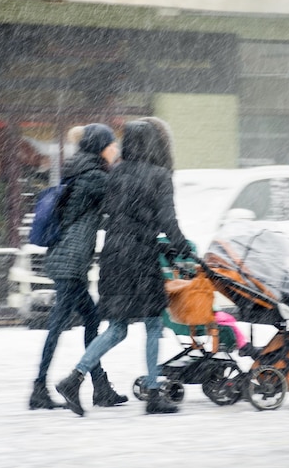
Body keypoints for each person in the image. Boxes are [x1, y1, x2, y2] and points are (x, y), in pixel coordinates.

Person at [56, 117, 194, 416]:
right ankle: (155, 393)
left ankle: (73, 378)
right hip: (140, 259)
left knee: (118, 328)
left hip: (113, 257)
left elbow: (120, 216)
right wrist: (184, 250)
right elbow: (167, 222)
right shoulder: (158, 175)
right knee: (154, 323)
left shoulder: (115, 173)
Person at [29, 123, 125, 410]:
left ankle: (100, 387)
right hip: (71, 263)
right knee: (57, 325)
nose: (115, 150)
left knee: (91, 320)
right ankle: (40, 388)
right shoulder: (95, 177)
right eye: (112, 145)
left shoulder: (80, 171)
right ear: (100, 148)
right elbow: (120, 199)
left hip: (68, 259)